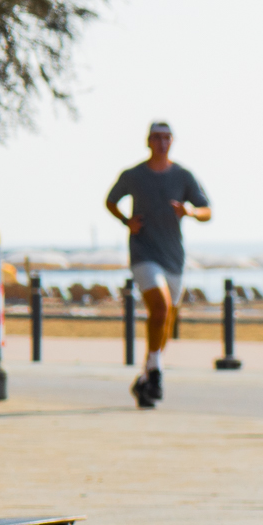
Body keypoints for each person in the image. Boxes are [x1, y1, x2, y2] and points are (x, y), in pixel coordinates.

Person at [105, 122, 212, 407]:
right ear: (148, 141)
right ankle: (156, 373)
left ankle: (146, 378)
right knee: (160, 307)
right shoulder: (134, 175)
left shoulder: (183, 175)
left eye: (167, 137)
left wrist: (190, 211)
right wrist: (126, 221)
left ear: (172, 141)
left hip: (174, 256)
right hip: (143, 253)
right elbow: (111, 200)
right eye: (157, 137)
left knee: (165, 320)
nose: (162, 142)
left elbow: (207, 211)